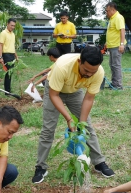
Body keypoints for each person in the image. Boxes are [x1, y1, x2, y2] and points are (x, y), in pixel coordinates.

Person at [32, 46, 115, 184]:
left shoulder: (98, 72)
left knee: (87, 127)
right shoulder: (62, 66)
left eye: (92, 72)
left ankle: (99, 162)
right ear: (79, 62)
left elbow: (89, 98)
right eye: (86, 70)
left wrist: (81, 123)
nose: (89, 75)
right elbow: (54, 95)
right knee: (48, 129)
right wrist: (69, 119)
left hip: (75, 91)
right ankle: (40, 166)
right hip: (54, 90)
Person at [105, 2, 126, 90]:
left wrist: (121, 44)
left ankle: (118, 85)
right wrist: (107, 42)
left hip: (116, 46)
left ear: (113, 10)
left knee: (116, 65)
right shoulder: (112, 19)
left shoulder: (118, 17)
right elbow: (112, 31)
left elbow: (122, 30)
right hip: (111, 45)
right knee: (112, 65)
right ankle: (114, 84)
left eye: (108, 11)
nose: (107, 13)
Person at [0, 18, 18, 95]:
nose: (13, 27)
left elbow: (12, 46)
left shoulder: (13, 34)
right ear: (7, 24)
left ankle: (8, 90)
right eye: (11, 25)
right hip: (6, 55)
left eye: (14, 26)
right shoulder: (3, 33)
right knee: (8, 73)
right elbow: (0, 45)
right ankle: (7, 91)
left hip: (12, 55)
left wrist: (16, 56)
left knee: (11, 73)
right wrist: (0, 57)